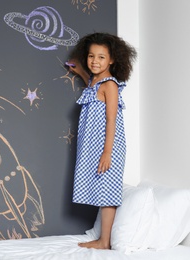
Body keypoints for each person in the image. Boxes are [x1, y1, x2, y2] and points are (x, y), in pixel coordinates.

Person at [67, 32, 137, 250]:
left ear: (113, 60)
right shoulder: (95, 81)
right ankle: (102, 239)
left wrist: (107, 152)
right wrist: (79, 71)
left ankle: (104, 241)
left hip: (108, 146)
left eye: (101, 57)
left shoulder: (110, 85)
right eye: (91, 56)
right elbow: (90, 82)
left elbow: (111, 120)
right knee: (100, 187)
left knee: (107, 191)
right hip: (93, 145)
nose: (94, 62)